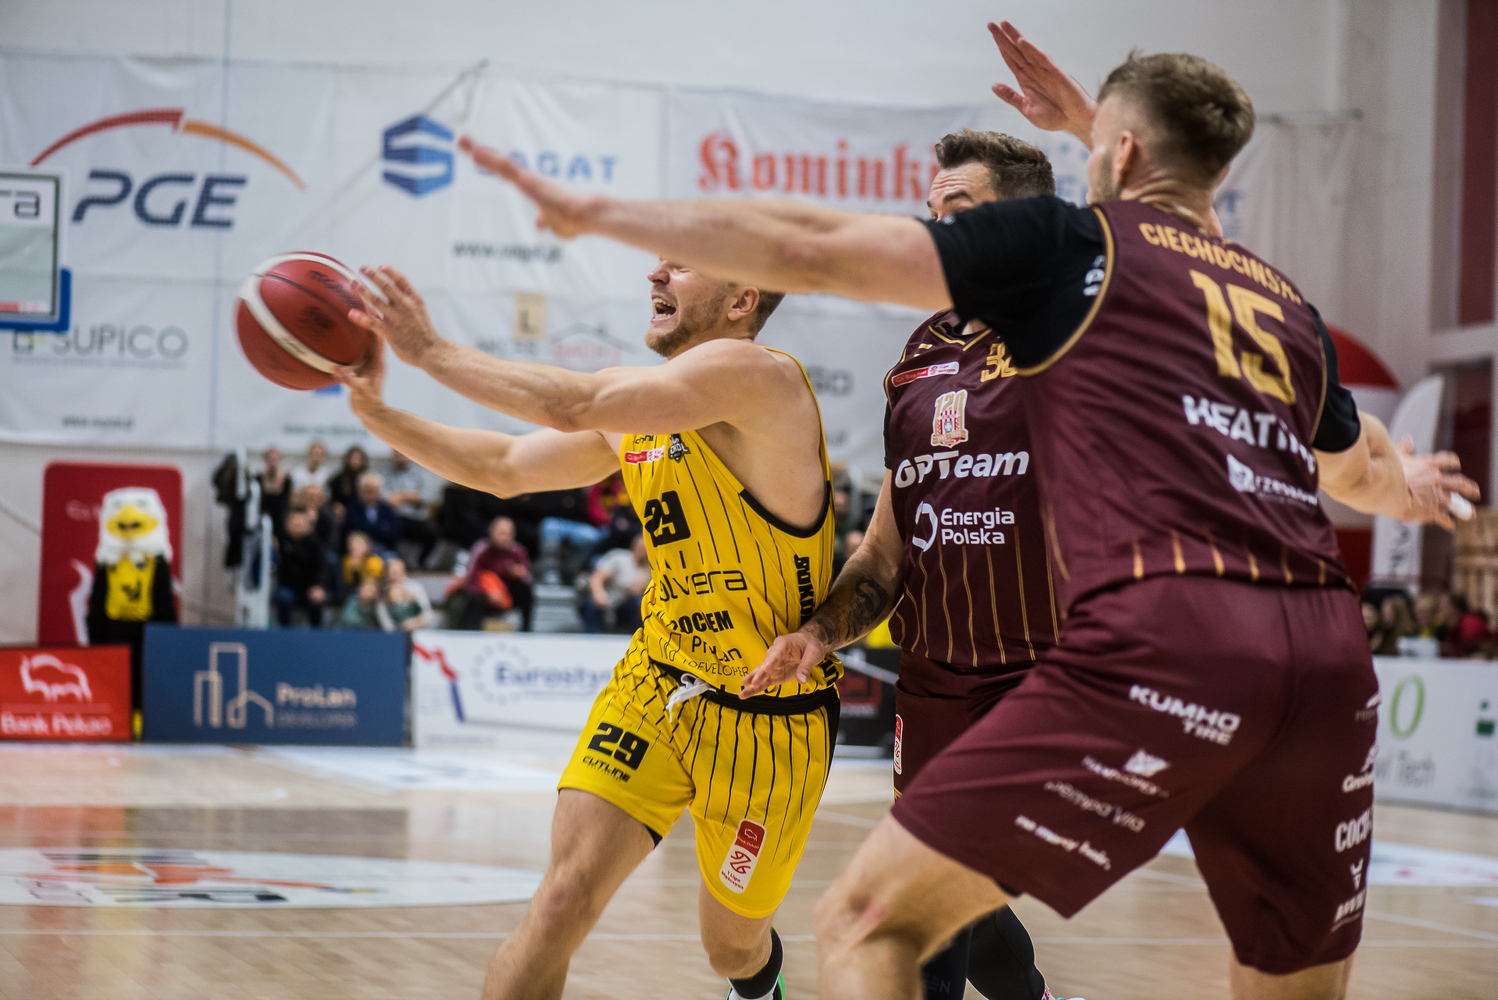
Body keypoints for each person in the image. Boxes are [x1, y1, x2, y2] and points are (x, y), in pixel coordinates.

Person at [463, 20, 1483, 999]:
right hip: (1321, 651)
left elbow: (810, 246)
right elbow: (1358, 469)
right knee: (1275, 978)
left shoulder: (1063, 255)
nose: (943, 222)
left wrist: (596, 212)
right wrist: (1407, 486)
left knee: (868, 923)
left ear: (1115, 151)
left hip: (1162, 634)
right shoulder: (1277, 301)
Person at [332, 245, 838, 1000]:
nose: (655, 274)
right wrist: (379, 415)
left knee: (730, 947)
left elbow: (573, 402)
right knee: (561, 900)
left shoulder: (761, 378)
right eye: (659, 262)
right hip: (659, 682)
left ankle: (756, 983)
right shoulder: (638, 415)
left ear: (742, 301)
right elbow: (504, 466)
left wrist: (428, 350)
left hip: (769, 715)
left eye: (681, 264)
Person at [748, 128, 1058, 1000]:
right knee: (964, 904)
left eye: (958, 210)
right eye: (930, 213)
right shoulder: (918, 358)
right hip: (933, 682)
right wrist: (820, 633)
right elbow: (884, 553)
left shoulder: (1078, 334)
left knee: (918, 889)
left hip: (1046, 678)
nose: (933, 230)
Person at [459, 516, 535, 632]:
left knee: (526, 591)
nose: (505, 538)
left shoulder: (518, 551)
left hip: (506, 596)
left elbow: (528, 577)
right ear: (491, 532)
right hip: (485, 594)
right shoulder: (481, 549)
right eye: (501, 533)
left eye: (509, 534)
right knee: (473, 599)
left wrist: (520, 576)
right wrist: (488, 593)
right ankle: (471, 633)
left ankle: (526, 631)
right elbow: (470, 580)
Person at [274, 508, 336, 628]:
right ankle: (284, 632)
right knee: (284, 597)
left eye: (301, 522)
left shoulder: (315, 543)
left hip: (309, 588)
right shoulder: (279, 541)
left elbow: (322, 568)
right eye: (294, 522)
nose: (297, 525)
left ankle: (316, 633)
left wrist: (319, 586)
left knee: (316, 598)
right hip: (287, 587)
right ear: (287, 524)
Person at [581, 533, 650, 634]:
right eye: (642, 548)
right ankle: (591, 635)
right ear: (635, 546)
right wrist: (599, 593)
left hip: (625, 603)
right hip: (607, 598)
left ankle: (640, 636)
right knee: (594, 602)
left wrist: (646, 568)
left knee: (639, 604)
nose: (643, 551)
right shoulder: (619, 558)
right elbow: (597, 578)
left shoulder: (649, 568)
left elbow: (636, 591)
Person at [387, 450, 441, 567]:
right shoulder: (386, 474)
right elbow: (387, 499)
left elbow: (429, 496)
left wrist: (402, 496)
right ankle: (393, 563)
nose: (400, 455)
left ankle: (421, 563)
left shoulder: (421, 472)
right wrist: (414, 498)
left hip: (417, 518)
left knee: (433, 533)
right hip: (395, 518)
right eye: (396, 452)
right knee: (386, 530)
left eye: (402, 452)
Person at [343, 471, 403, 554]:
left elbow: (394, 534)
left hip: (384, 550)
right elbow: (353, 530)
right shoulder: (351, 509)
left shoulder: (387, 510)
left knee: (393, 560)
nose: (370, 494)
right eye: (367, 490)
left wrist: (371, 532)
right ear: (359, 491)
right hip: (359, 551)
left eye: (373, 490)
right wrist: (379, 530)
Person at [380, 557, 433, 632]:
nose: (393, 576)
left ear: (403, 572)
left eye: (396, 572)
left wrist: (415, 623)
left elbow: (427, 613)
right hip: (396, 633)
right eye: (391, 572)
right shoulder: (383, 591)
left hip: (419, 630)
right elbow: (385, 620)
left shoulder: (415, 587)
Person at [257, 445, 292, 536]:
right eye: (270, 459)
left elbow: (288, 502)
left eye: (275, 459)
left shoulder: (286, 480)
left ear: (280, 460)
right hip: (261, 521)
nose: (272, 462)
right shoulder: (258, 478)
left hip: (280, 522)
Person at [327, 444, 370, 510]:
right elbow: (333, 499)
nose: (355, 462)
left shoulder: (368, 478)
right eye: (353, 458)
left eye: (358, 459)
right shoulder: (338, 479)